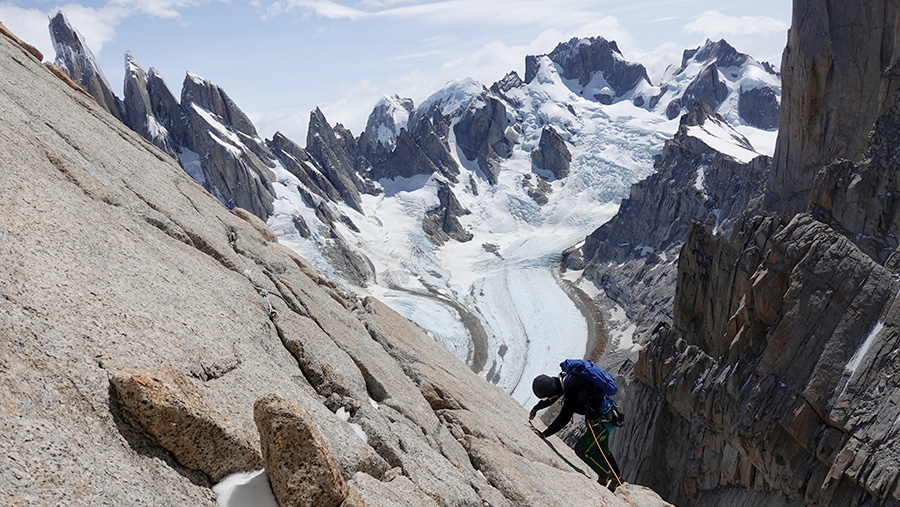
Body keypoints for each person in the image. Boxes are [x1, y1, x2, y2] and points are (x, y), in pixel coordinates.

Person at [529, 369, 622, 490]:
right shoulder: (567, 379)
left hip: (602, 422)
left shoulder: (572, 388)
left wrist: (544, 434)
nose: (550, 399)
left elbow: (565, 416)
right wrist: (537, 408)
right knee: (603, 451)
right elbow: (555, 396)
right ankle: (617, 479)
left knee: (582, 450)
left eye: (550, 397)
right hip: (605, 417)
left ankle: (605, 474)